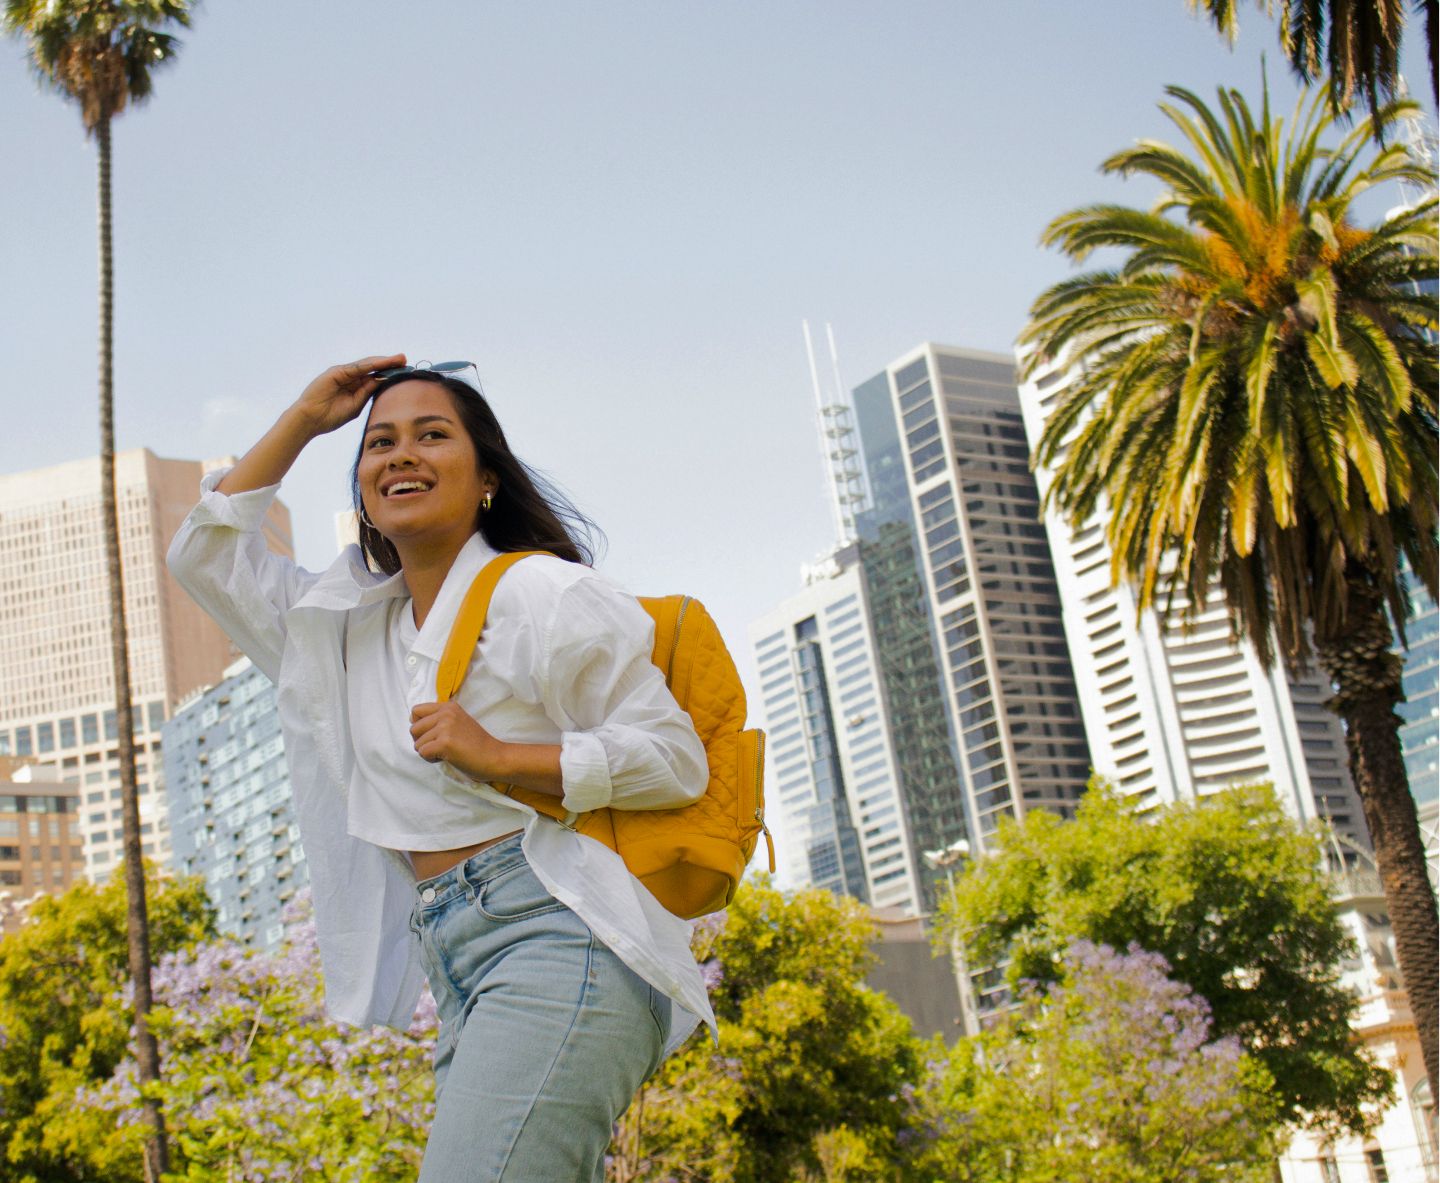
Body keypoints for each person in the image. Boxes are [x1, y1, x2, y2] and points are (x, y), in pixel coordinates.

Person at [167, 355, 716, 1181]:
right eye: (380, 443)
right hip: (457, 957)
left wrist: (499, 755)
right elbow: (204, 556)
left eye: (433, 435)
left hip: (563, 931)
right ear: (362, 491)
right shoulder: (344, 630)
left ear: (486, 476)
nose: (401, 454)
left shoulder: (539, 593)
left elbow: (675, 760)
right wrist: (309, 416)